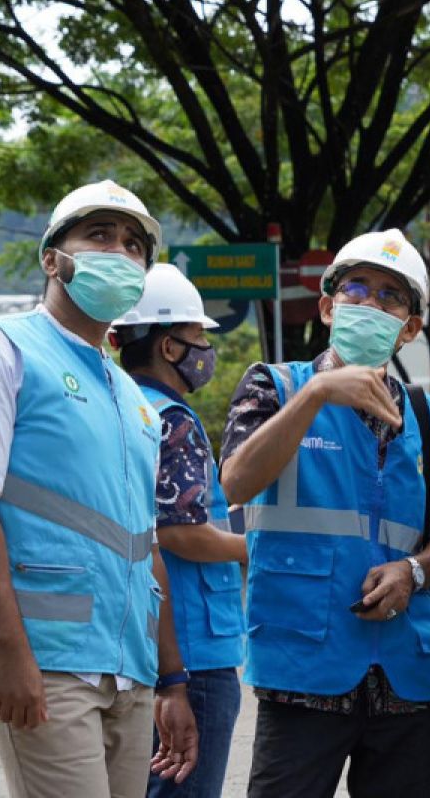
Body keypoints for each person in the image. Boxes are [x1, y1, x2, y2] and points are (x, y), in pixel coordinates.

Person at [0, 180, 198, 798]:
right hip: (44, 654)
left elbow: (144, 544)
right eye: (99, 235)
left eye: (134, 245)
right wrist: (8, 648)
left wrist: (171, 678)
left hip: (127, 665)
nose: (119, 252)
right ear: (53, 258)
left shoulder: (133, 399)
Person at [219, 229, 430, 798]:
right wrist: (314, 397)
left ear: (410, 327)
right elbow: (236, 481)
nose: (370, 304)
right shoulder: (274, 386)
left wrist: (412, 573)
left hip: (410, 677)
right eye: (356, 289)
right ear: (329, 307)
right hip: (303, 668)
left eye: (390, 297)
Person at [110, 262, 248, 798]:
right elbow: (179, 533)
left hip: (138, 642)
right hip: (196, 652)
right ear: (169, 347)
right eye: (197, 338)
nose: (205, 352)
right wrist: (263, 548)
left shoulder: (120, 407)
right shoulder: (173, 419)